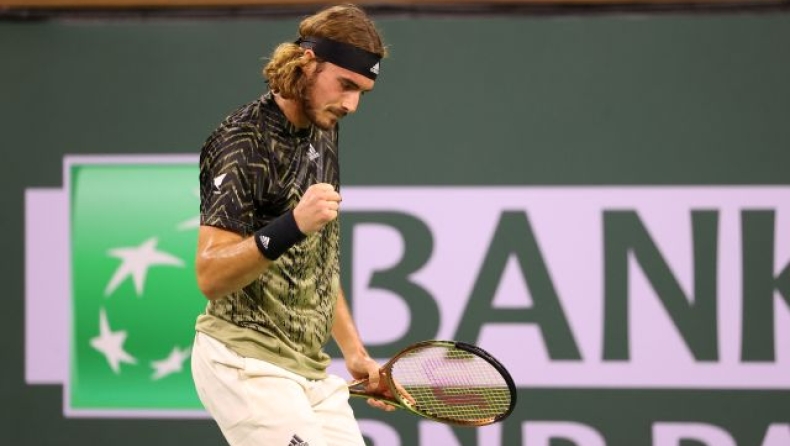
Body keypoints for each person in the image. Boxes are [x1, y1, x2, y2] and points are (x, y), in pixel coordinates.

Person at [190, 4, 391, 446]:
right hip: (245, 361)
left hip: (309, 370)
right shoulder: (243, 141)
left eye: (362, 92)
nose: (352, 105)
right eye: (346, 85)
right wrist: (293, 225)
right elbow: (210, 276)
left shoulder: (324, 128)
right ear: (308, 63)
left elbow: (316, 264)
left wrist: (353, 351)